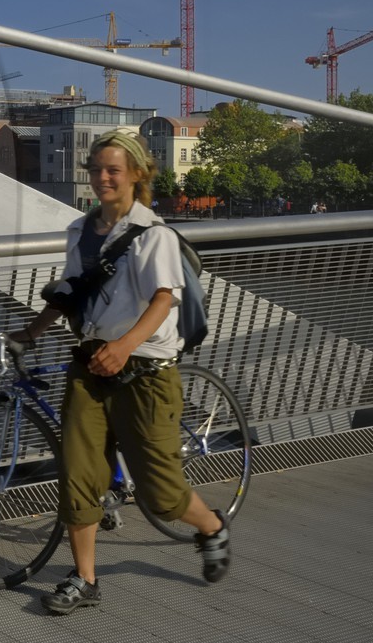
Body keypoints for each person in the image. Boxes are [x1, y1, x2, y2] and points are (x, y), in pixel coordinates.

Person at [15, 129, 230, 615]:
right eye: (95, 170)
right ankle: (85, 579)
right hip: (91, 365)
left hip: (146, 371)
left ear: (136, 174)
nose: (102, 178)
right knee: (78, 475)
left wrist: (124, 346)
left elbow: (163, 299)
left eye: (113, 170)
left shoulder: (154, 235)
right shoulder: (79, 230)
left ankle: (212, 527)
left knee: (161, 493)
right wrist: (29, 333)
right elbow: (72, 291)